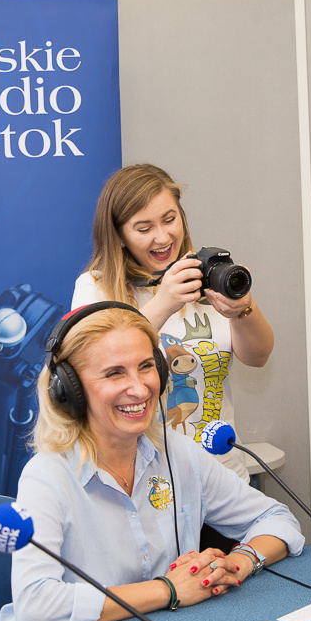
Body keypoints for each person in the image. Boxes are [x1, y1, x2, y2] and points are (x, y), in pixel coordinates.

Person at [0, 303, 303, 621]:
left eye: (145, 367)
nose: (139, 389)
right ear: (70, 389)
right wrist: (168, 590)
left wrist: (241, 561)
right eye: (114, 373)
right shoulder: (47, 477)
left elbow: (277, 519)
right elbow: (36, 609)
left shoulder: (178, 453)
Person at [72, 163, 275, 482]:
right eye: (144, 228)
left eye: (170, 220)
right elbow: (98, 361)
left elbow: (259, 356)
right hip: (142, 484)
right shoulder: (95, 287)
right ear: (120, 236)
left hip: (222, 477)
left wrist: (242, 309)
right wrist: (164, 302)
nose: (163, 237)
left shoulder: (204, 279)